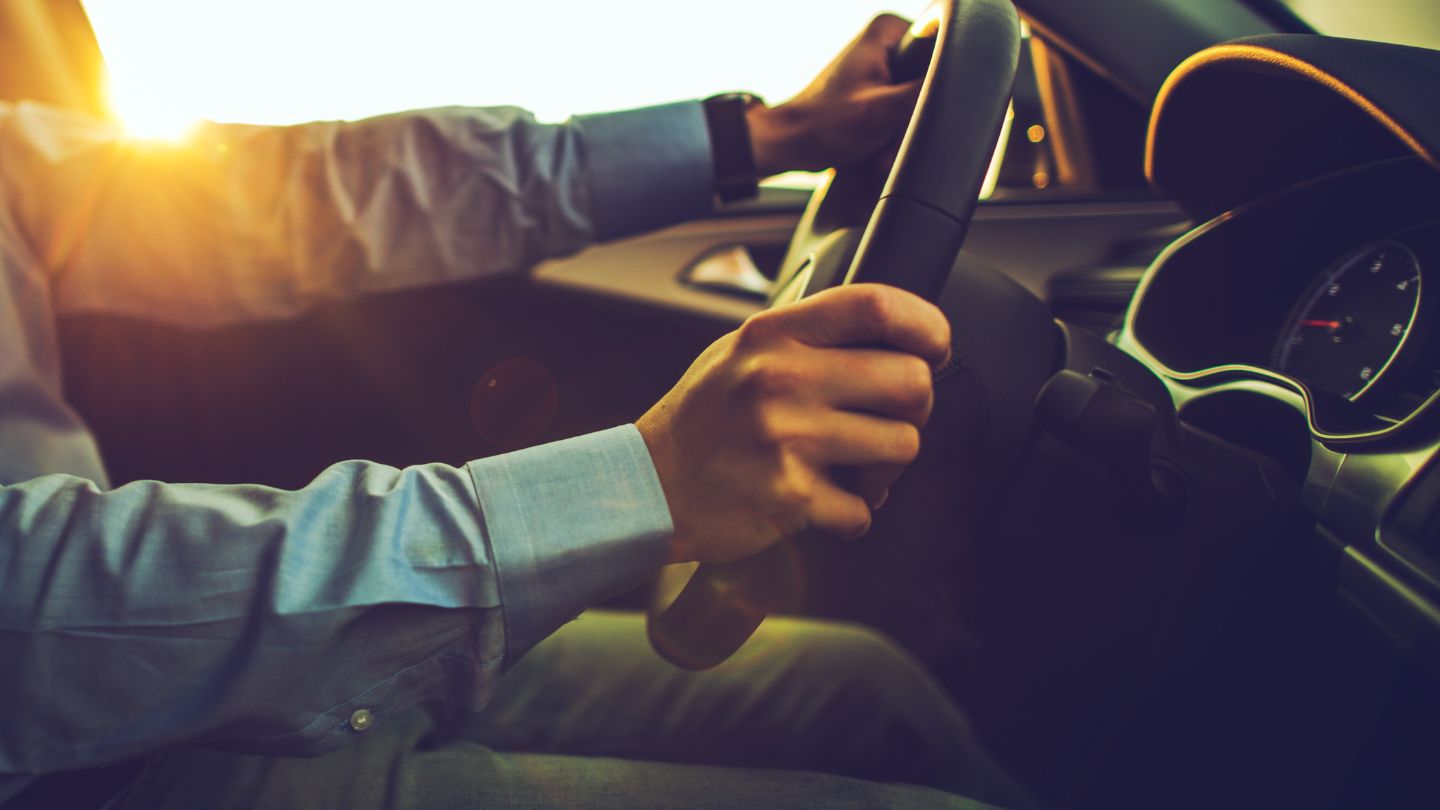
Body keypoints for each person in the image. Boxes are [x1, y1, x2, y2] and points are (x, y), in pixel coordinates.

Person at [0, 13, 1025, 809]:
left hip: (202, 690)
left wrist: (764, 134)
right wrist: (643, 484)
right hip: (96, 774)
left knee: (857, 689)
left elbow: (298, 199)